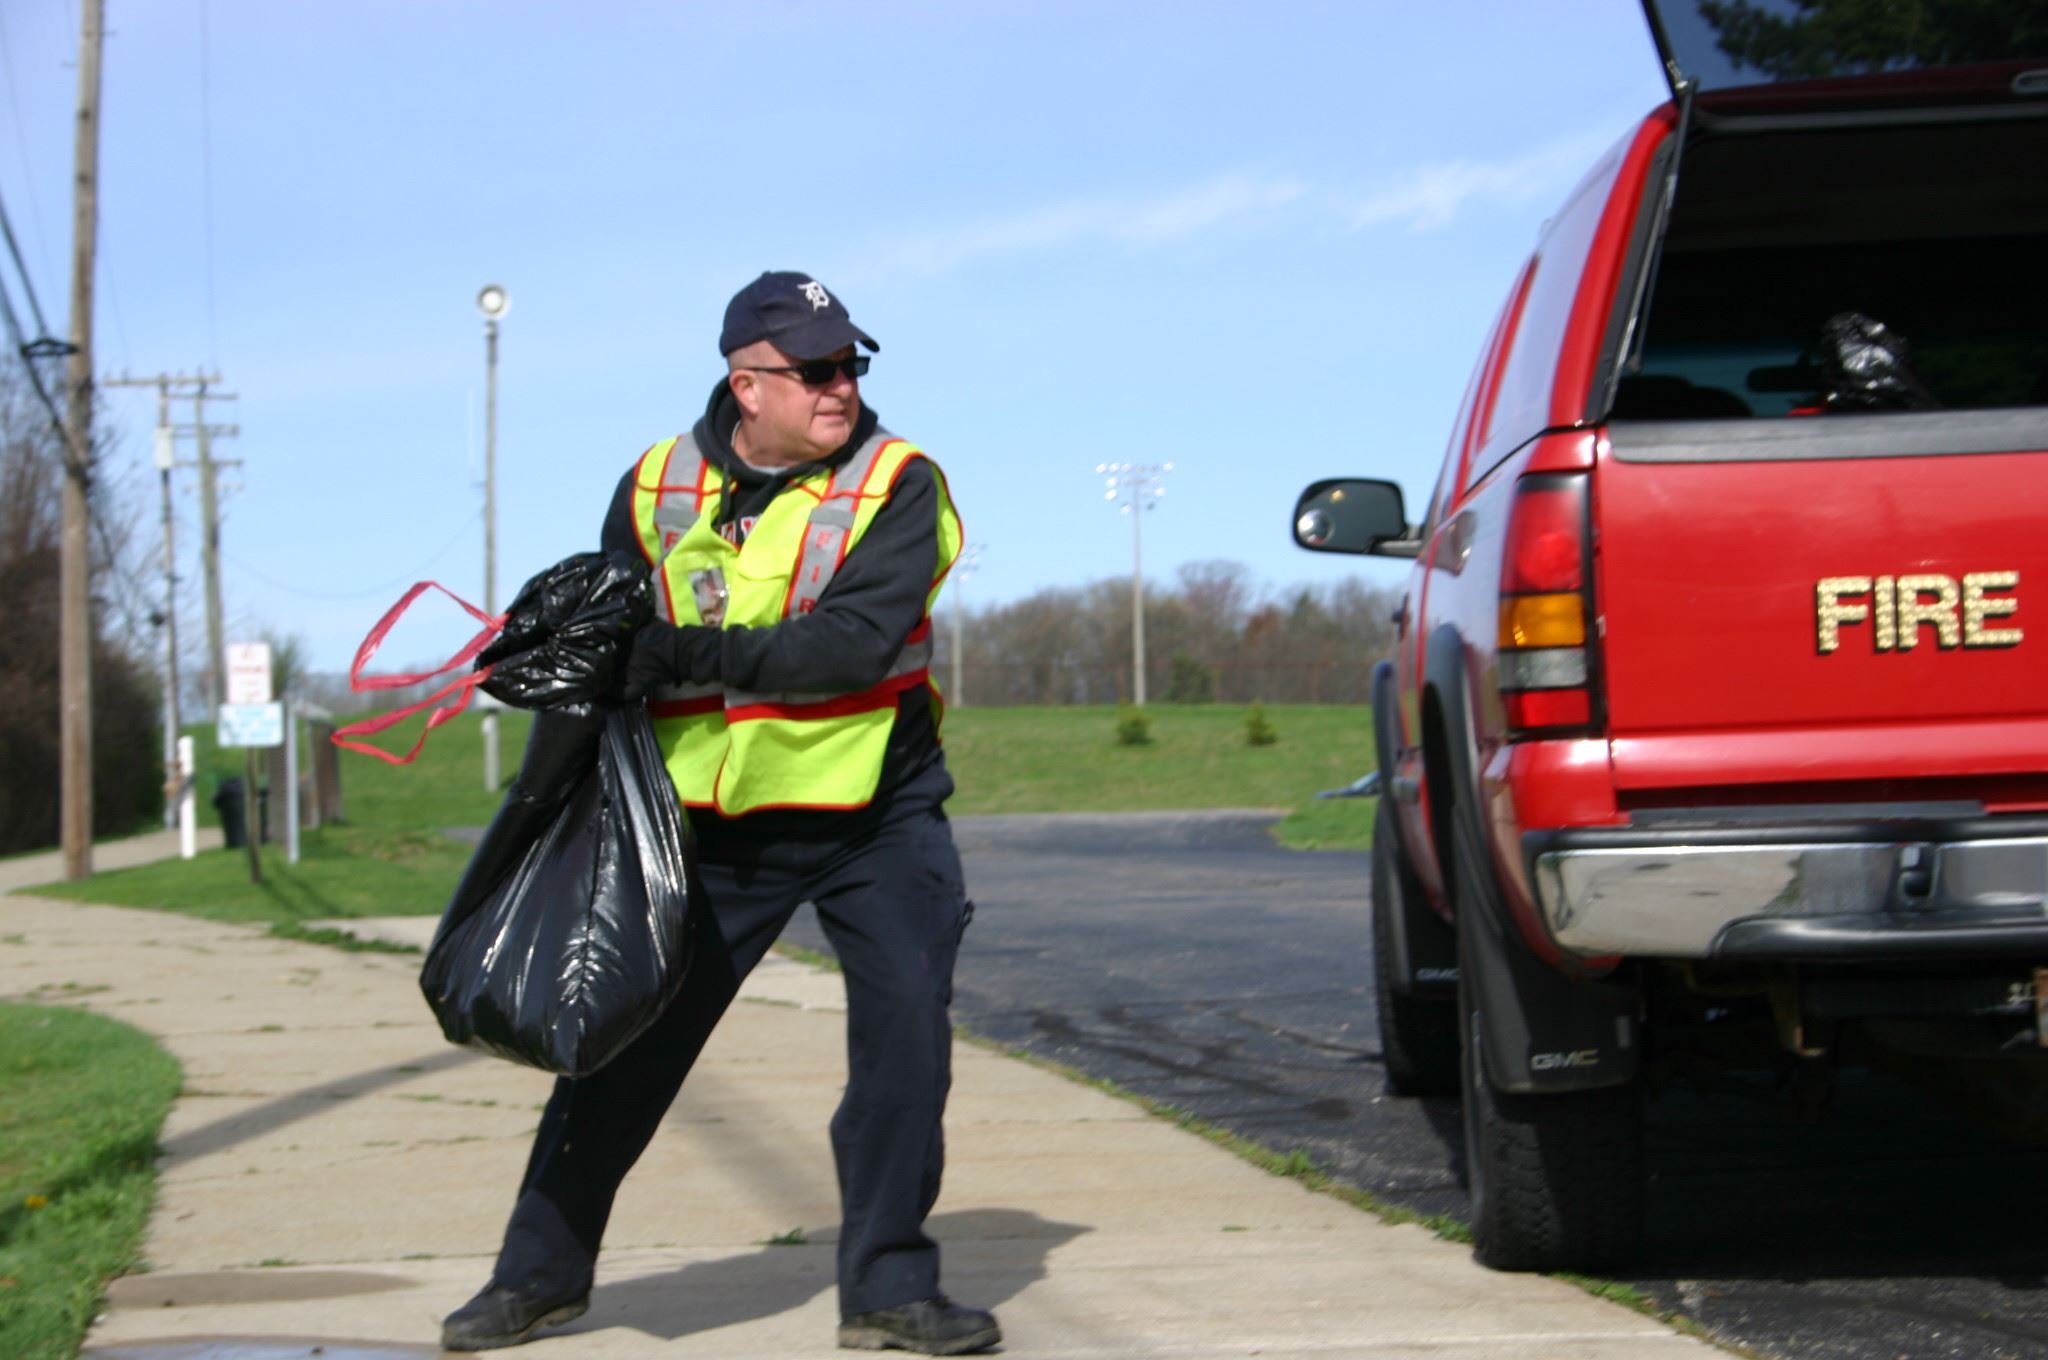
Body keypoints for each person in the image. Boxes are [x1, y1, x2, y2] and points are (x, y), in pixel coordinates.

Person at [441, 272, 995, 1355]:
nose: (842, 388)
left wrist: (675, 650)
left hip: (873, 814)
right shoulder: (653, 484)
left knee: (904, 1048)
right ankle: (536, 1277)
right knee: (619, 1047)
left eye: (851, 366)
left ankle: (887, 1287)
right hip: (704, 822)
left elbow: (845, 646)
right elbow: (611, 629)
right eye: (814, 370)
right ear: (746, 383)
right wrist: (562, 663)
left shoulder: (899, 484)